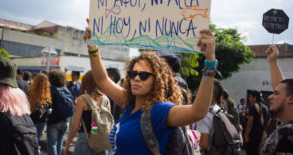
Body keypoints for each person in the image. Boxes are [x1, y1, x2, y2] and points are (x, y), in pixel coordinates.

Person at [84, 19, 217, 155]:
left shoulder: (158, 111)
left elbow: (198, 112)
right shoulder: (129, 103)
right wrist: (93, 48)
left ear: (157, 81)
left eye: (144, 75)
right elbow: (102, 79)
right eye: (133, 73)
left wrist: (210, 62)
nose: (136, 78)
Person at [63, 70, 111, 155]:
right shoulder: (106, 99)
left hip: (86, 140)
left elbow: (75, 126)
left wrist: (67, 144)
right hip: (102, 141)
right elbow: (108, 122)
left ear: (86, 82)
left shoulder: (82, 99)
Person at [260, 45, 293, 154]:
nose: (269, 96)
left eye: (275, 93)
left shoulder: (287, 132)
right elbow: (284, 90)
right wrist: (273, 62)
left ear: (291, 99)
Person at [47, 69, 72, 155]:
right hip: (65, 121)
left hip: (54, 121)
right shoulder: (66, 89)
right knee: (60, 143)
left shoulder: (51, 90)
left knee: (52, 145)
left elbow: (48, 105)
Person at [28, 73, 52, 153]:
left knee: (32, 141)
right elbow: (50, 105)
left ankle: (36, 152)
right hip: (42, 119)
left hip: (32, 119)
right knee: (37, 139)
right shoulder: (47, 91)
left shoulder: (31, 89)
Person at [197, 79, 224, 152]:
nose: (198, 92)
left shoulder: (203, 115)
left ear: (210, 95)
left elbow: (204, 144)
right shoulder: (220, 110)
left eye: (202, 90)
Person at [245, 90, 269, 155]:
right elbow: (268, 123)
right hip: (262, 136)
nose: (249, 98)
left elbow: (250, 122)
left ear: (255, 98)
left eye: (250, 97)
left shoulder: (252, 107)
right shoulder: (265, 108)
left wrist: (246, 135)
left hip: (253, 137)